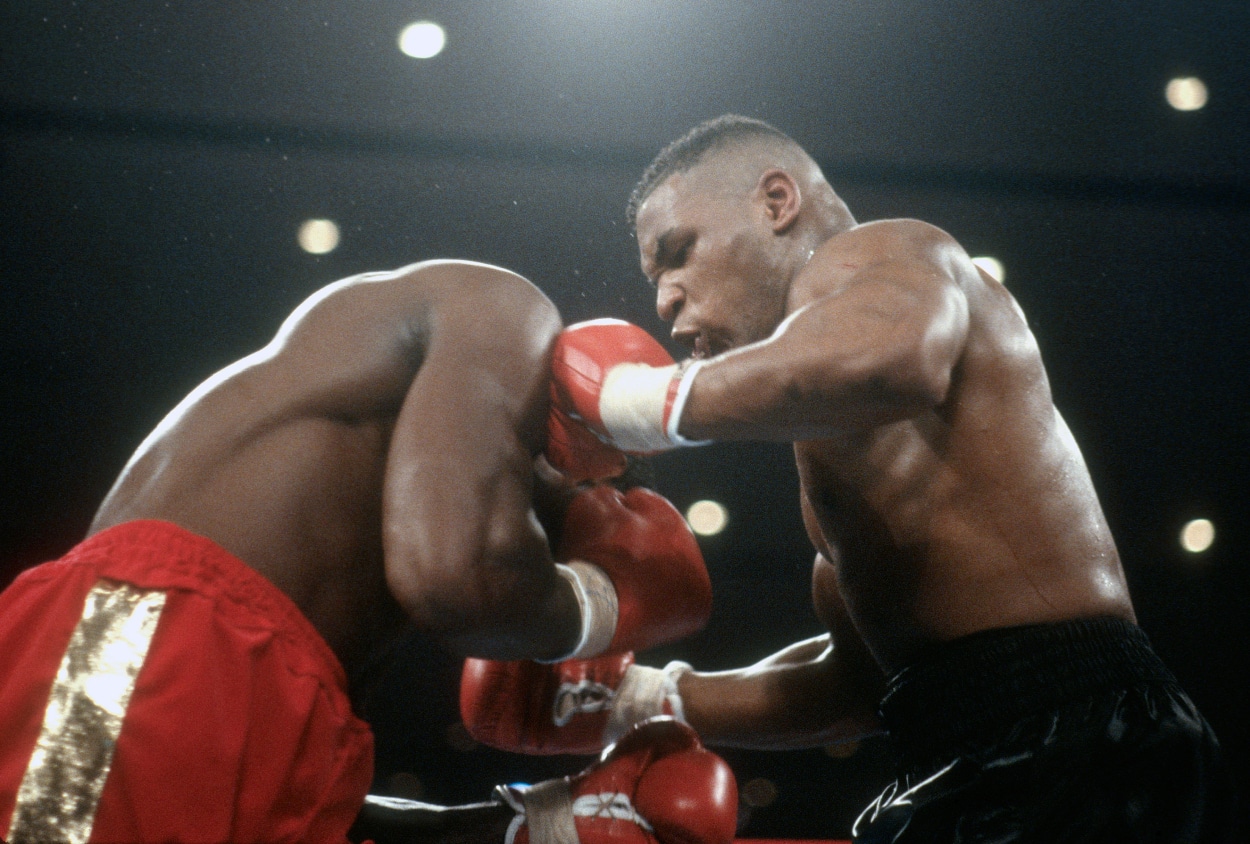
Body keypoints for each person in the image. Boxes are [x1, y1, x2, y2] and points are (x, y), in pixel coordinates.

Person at [459, 116, 1240, 842]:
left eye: (678, 250)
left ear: (776, 201)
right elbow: (863, 685)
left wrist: (634, 402)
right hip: (969, 750)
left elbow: (897, 360)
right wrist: (637, 701)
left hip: (1081, 737)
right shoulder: (830, 446)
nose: (663, 298)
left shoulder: (888, 255)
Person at [0, 258, 731, 844]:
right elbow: (455, 580)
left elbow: (285, 805)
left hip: (273, 699)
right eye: (573, 508)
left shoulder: (352, 619)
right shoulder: (502, 310)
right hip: (149, 631)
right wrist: (600, 603)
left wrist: (541, 825)